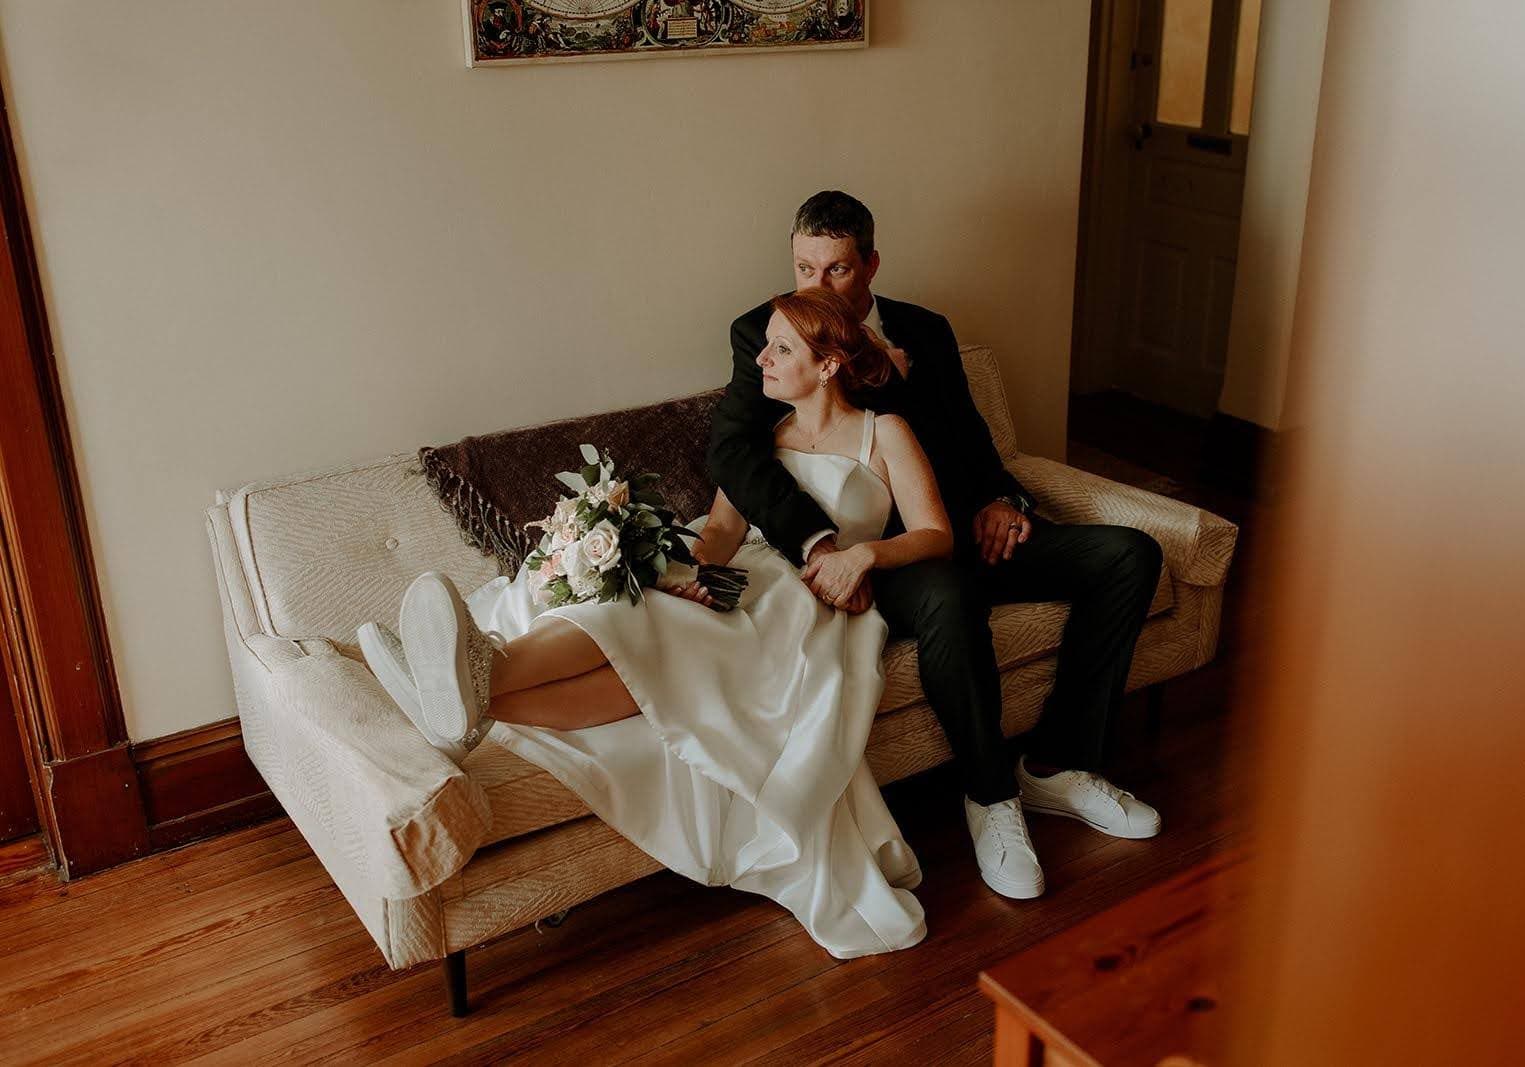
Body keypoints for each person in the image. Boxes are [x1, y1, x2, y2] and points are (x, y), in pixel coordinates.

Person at [358, 287, 948, 960]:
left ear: (828, 365)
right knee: (638, 615)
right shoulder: (762, 443)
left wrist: (867, 554)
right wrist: (683, 576)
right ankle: (478, 684)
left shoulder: (884, 434)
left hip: (808, 600)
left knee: (658, 647)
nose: (762, 359)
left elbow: (935, 533)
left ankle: (472, 679)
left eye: (782, 348)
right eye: (766, 345)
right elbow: (721, 533)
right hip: (741, 576)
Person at [707, 190, 1165, 901]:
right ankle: (991, 797)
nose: (816, 286)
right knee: (948, 595)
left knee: (1129, 555)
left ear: (870, 266)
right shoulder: (766, 332)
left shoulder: (926, 329)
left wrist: (1004, 501)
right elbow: (736, 451)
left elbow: (969, 438)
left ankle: (1057, 766)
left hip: (954, 528)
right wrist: (821, 545)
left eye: (836, 270)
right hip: (878, 556)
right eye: (804, 268)